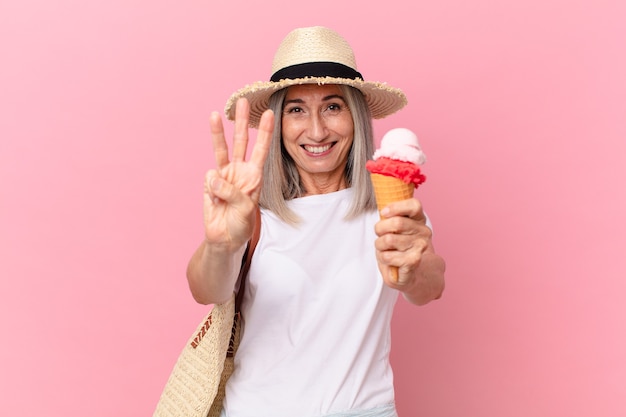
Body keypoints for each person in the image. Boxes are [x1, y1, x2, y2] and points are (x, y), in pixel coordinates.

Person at [186, 26, 445, 417]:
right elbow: (206, 288)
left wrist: (414, 264)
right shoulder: (253, 214)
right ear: (278, 124)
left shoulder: (394, 213)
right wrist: (220, 245)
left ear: (356, 116)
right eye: (296, 110)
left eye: (332, 106)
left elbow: (429, 287)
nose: (317, 130)